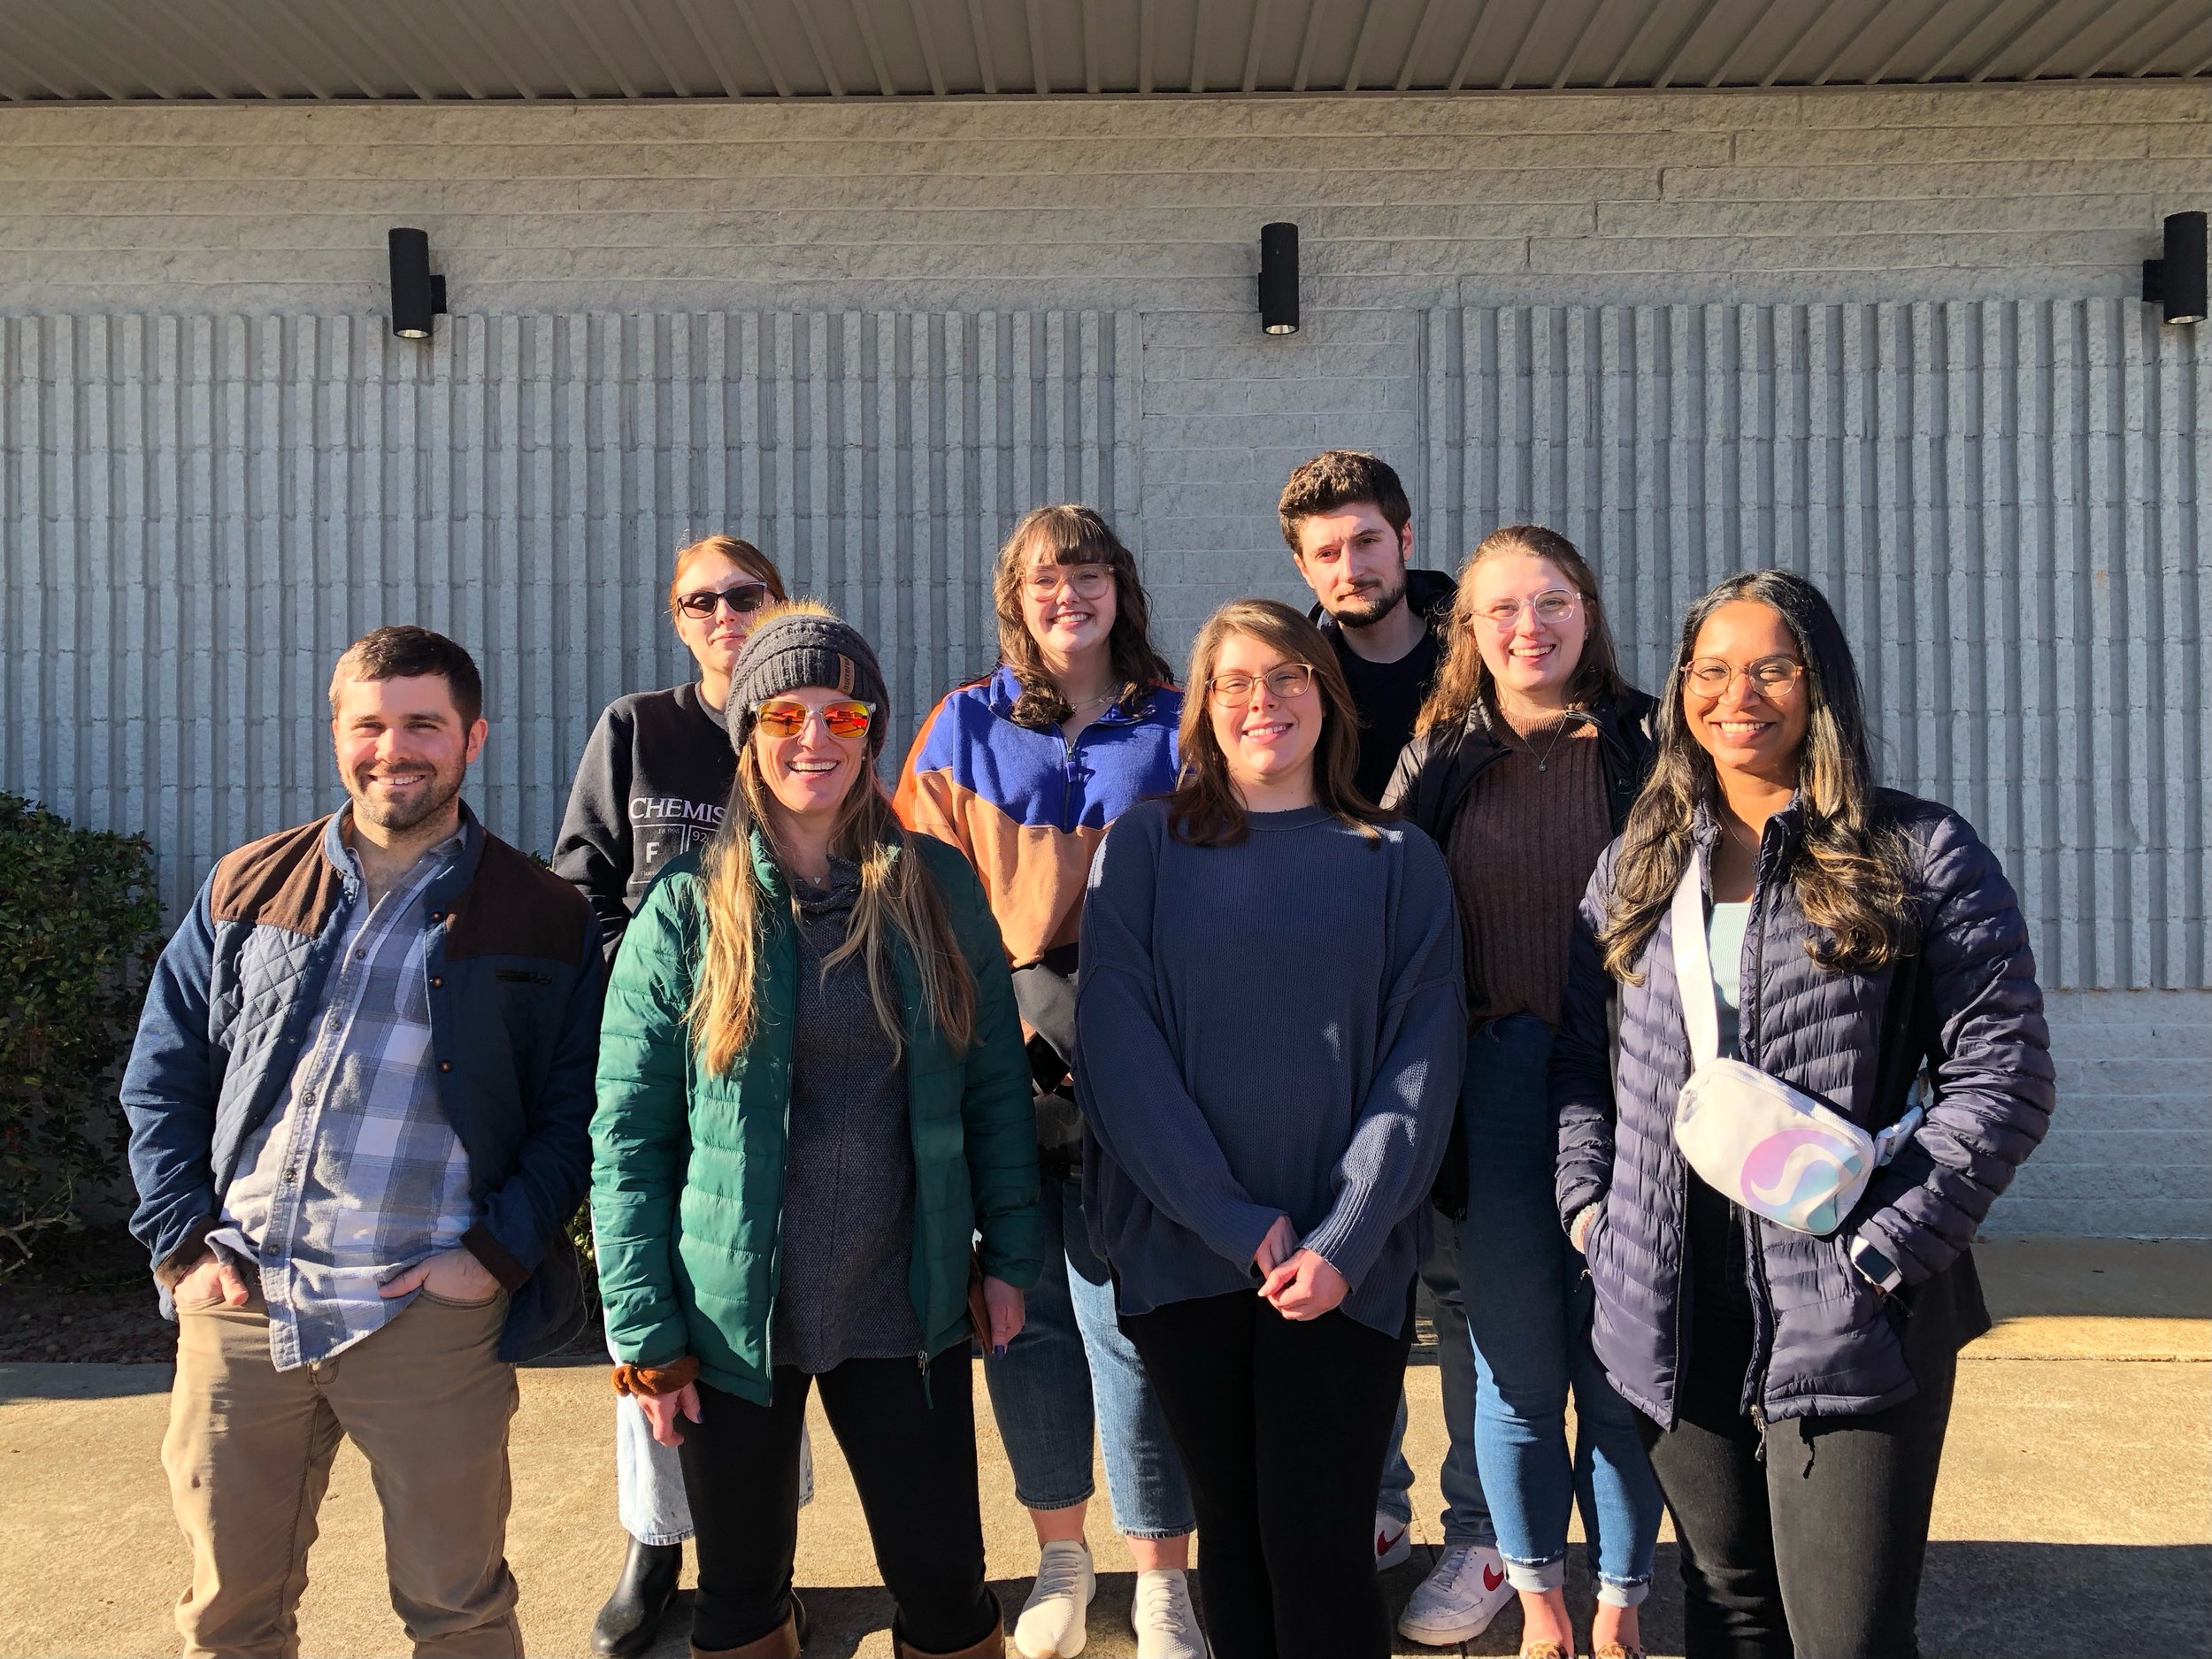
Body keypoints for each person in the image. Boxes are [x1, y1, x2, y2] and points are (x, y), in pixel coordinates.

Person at [1554, 569, 2055, 1658]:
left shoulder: (1916, 851)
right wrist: (1593, 1215)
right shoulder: (1637, 862)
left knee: (1846, 1636)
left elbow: (2003, 1071)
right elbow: (1577, 1064)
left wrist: (1889, 1246)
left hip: (1849, 1305)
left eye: (1771, 667)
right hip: (1672, 1306)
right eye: (1712, 670)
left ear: (1818, 683)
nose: (1738, 695)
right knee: (1730, 1610)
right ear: (1681, 687)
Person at [119, 625, 602, 1658]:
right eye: (370, 726)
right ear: (337, 734)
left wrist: (491, 1258)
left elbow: (577, 1112)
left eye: (423, 725)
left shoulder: (544, 914)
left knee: (458, 1608)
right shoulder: (247, 885)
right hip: (244, 1302)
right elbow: (162, 1075)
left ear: (473, 738)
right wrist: (182, 1247)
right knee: (227, 1614)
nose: (396, 749)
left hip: (424, 1312)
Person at [591, 603, 1046, 1659]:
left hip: (904, 1302)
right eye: (787, 714)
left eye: (844, 718)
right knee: (741, 1593)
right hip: (735, 1317)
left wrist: (1011, 1255)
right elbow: (629, 1140)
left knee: (941, 1582)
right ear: (749, 731)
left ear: (872, 736)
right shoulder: (686, 911)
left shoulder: (934, 889)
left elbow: (992, 1091)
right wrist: (647, 1335)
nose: (815, 741)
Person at [1076, 597, 1464, 1659]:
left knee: (1318, 1542)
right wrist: (1227, 1216)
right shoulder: (1143, 847)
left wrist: (1340, 1238)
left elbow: (1420, 1068)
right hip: (1184, 1256)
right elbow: (1118, 1050)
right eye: (1235, 682)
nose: (1263, 701)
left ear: (1326, 699)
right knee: (1237, 1543)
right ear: (1200, 711)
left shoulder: (1396, 858)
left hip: (1347, 1268)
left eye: (1287, 676)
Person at [895, 505, 1204, 1659]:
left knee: (1130, 1317)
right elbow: (918, 899)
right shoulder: (959, 728)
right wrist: (1003, 1022)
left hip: (1148, 1062)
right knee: (1021, 1319)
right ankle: (1062, 1558)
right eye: (1043, 578)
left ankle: (1162, 1568)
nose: (1066, 594)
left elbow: (1218, 889)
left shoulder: (1182, 726)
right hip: (1004, 1059)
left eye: (1088, 573)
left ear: (1122, 587)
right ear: (1013, 598)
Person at [1383, 526, 1667, 1658]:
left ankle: (1620, 1601)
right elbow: (1386, 923)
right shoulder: (1442, 757)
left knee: (1616, 1366)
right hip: (1493, 1085)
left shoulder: (1652, 741)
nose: (1527, 628)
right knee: (1513, 1363)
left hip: (1629, 1081)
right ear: (1470, 632)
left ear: (1586, 612)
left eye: (1549, 602)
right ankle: (1538, 1601)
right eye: (1499, 609)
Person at [553, 533, 796, 1659]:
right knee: (650, 1285)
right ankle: (655, 1542)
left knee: (763, 1302)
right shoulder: (639, 729)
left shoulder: (808, 718)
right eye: (698, 601)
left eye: (741, 596)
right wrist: (641, 998)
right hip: (662, 1052)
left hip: (778, 1056)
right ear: (676, 620)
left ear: (778, 606)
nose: (721, 614)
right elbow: (582, 884)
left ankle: (760, 1551)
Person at [1278, 447, 1509, 1634]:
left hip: (1468, 997)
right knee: (1359, 1266)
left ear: (1405, 534)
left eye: (1367, 540)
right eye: (1325, 550)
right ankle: (1378, 1500)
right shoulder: (1294, 666)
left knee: (1466, 1283)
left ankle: (1483, 1530)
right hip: (1338, 1015)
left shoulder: (1478, 652)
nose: (1350, 565)